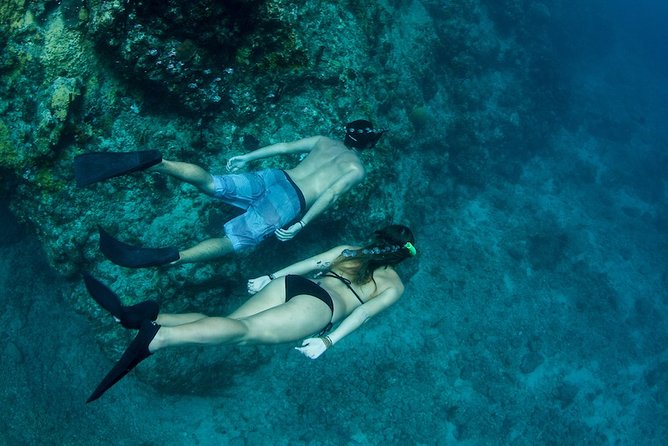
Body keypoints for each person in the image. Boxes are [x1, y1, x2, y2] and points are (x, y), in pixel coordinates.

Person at [83, 225, 416, 402]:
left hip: (294, 284)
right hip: (319, 309)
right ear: (401, 257)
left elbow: (314, 263)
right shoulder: (394, 284)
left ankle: (146, 318)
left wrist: (272, 276)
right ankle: (159, 338)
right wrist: (327, 341)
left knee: (232, 327)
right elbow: (362, 316)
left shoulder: (351, 249)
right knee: (239, 333)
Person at [74, 120, 388, 268]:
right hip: (291, 201)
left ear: (347, 132)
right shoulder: (356, 169)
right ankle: (174, 258)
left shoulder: (323, 140)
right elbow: (331, 195)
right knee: (235, 240)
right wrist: (301, 225)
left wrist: (248, 158)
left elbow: (283, 147)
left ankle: (159, 162)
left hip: (275, 176)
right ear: (369, 146)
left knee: (211, 183)